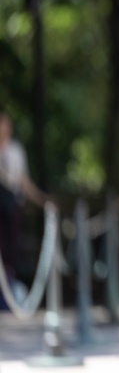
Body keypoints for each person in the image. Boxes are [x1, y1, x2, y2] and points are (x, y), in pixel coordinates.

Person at [0, 111, 48, 299]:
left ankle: (9, 289)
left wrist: (41, 199)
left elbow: (23, 181)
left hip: (11, 206)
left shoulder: (15, 151)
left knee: (11, 250)